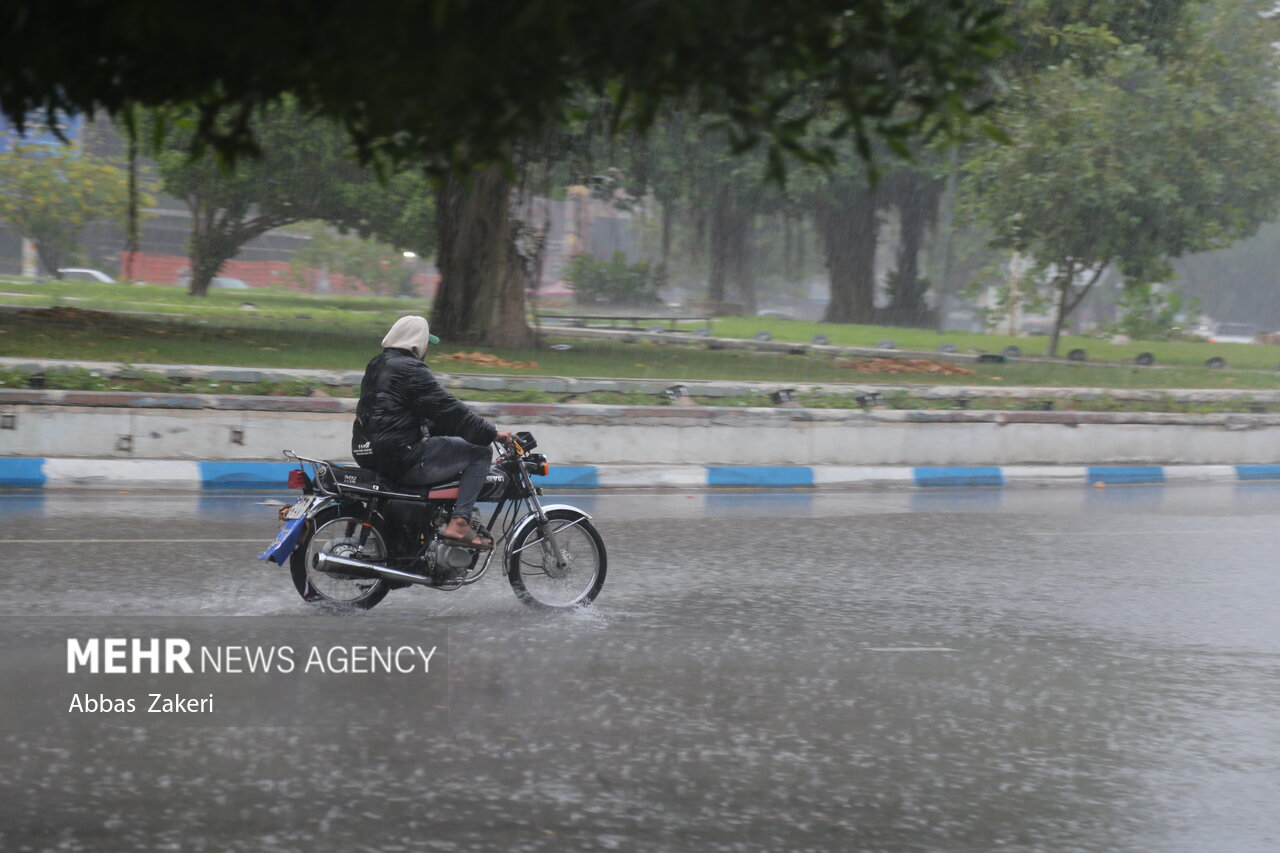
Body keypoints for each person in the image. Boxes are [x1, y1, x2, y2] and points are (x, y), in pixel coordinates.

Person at [351, 315, 512, 549]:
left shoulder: (378, 365)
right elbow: (449, 410)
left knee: (448, 444)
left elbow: (419, 413)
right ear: (417, 343)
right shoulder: (411, 369)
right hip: (401, 455)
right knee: (479, 450)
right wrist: (491, 433)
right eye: (427, 343)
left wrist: (453, 430)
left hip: (368, 452)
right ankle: (459, 521)